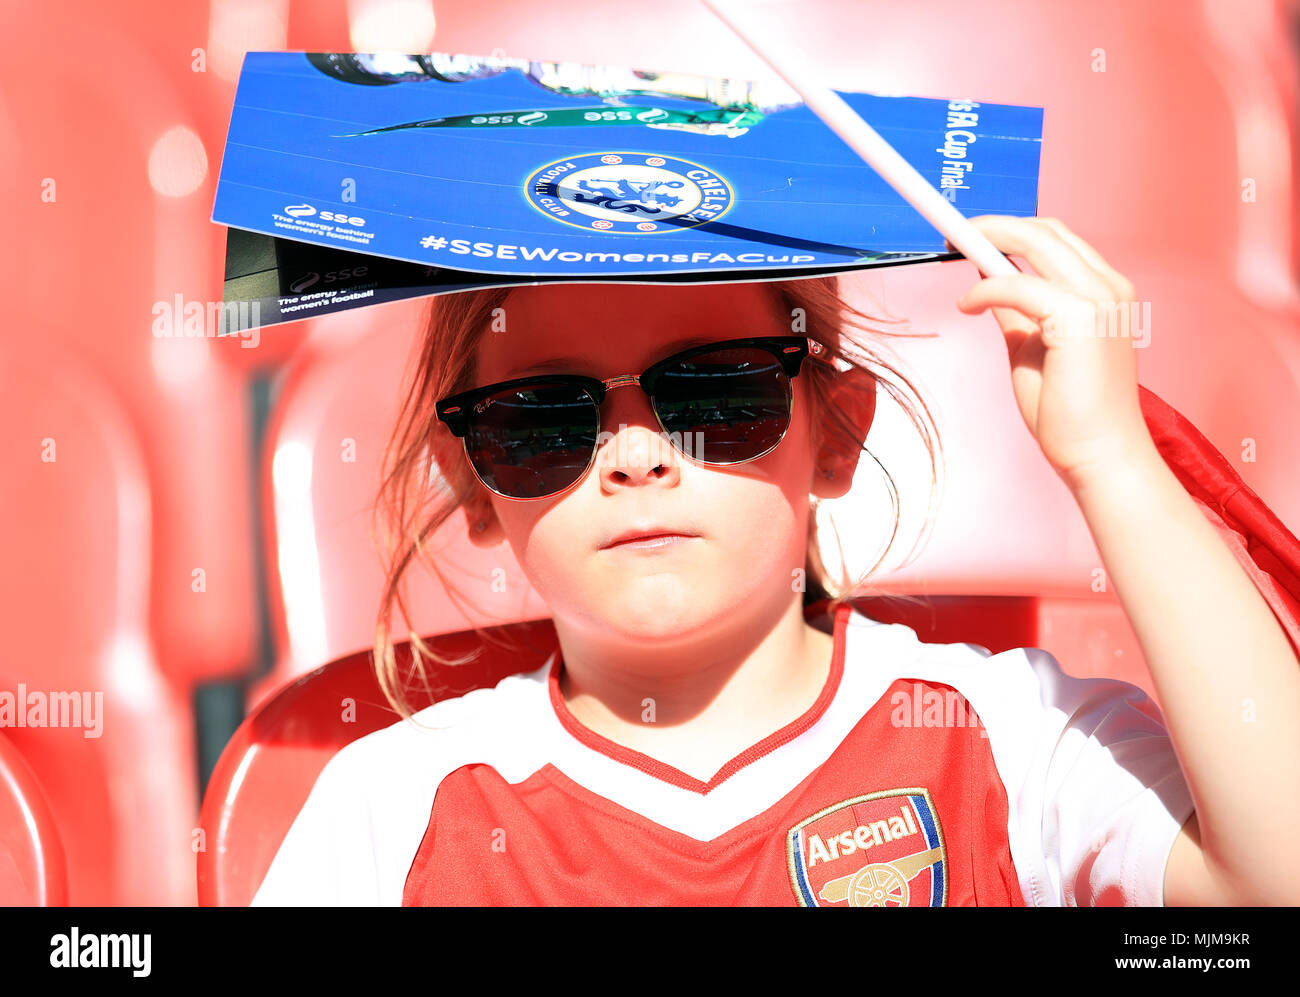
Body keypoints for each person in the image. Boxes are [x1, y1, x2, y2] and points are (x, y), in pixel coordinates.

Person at [250, 215, 1300, 906]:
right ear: (474, 480)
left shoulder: (1006, 737)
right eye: (542, 418)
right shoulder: (392, 803)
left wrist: (1112, 460)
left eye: (715, 394)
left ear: (836, 433)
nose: (634, 456)